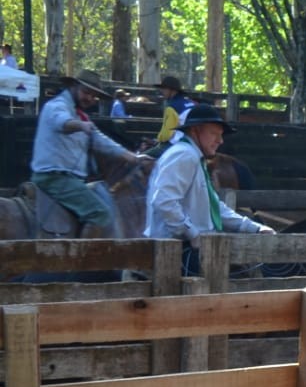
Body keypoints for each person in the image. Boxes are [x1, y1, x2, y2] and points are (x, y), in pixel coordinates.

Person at [145, 103, 274, 275]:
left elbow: (214, 207)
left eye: (220, 135)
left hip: (187, 249)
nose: (220, 140)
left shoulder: (193, 157)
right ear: (196, 131)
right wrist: (193, 235)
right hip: (177, 254)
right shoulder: (184, 155)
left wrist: (254, 228)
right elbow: (164, 201)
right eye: (214, 133)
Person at [30, 73, 149, 235]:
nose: (90, 98)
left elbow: (101, 141)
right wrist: (80, 125)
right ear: (73, 87)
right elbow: (62, 122)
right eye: (86, 92)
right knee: (100, 213)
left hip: (71, 180)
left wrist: (133, 157)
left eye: (94, 96)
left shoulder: (81, 115)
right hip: (55, 178)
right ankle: (85, 251)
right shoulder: (57, 106)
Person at [153, 75, 195, 145]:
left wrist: (158, 140)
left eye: (164, 88)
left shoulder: (172, 107)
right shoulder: (191, 103)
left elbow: (166, 135)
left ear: (172, 90)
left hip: (178, 143)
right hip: (193, 142)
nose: (161, 91)